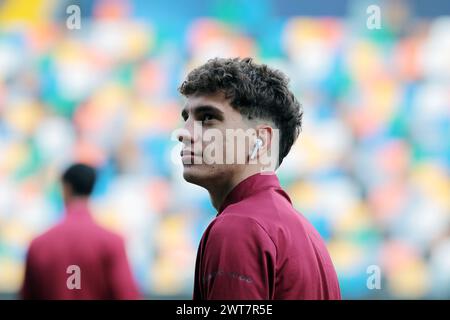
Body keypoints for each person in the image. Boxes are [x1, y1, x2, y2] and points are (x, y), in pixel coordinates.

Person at [177, 57, 341, 299]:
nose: (185, 133)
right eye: (186, 119)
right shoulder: (302, 231)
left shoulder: (239, 226)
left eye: (208, 118)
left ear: (261, 140)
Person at [21, 163, 140, 299]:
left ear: (66, 189)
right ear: (92, 188)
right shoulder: (112, 242)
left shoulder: (39, 244)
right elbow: (126, 294)